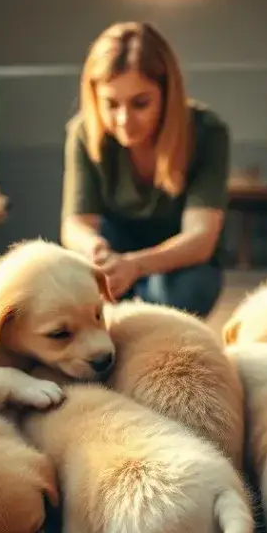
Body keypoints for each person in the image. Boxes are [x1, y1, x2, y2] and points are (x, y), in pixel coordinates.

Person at [60, 21, 229, 318]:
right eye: (111, 104)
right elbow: (75, 225)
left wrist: (136, 266)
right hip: (115, 249)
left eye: (140, 103)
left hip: (181, 259)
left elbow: (200, 238)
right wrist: (96, 251)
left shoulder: (207, 131)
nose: (124, 120)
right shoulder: (83, 133)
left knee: (184, 292)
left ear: (167, 95)